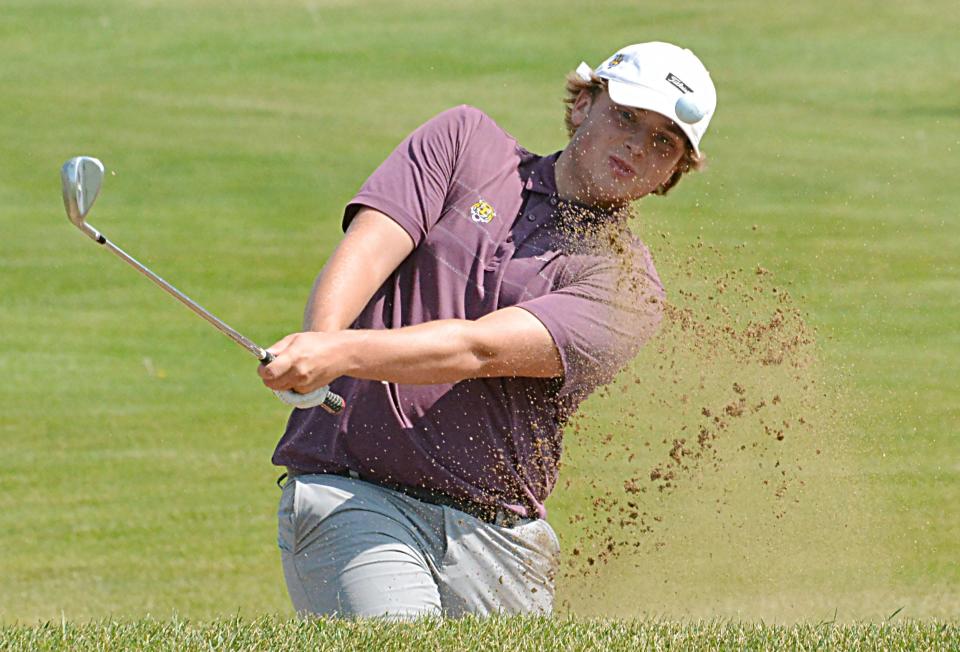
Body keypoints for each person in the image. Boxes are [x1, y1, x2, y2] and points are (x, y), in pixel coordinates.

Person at [258, 41, 717, 619]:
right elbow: (369, 247)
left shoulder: (629, 289)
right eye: (626, 115)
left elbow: (481, 349)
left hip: (501, 540)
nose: (636, 144)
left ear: (671, 174)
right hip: (355, 494)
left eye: (663, 143)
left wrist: (337, 351)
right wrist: (319, 342)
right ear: (584, 105)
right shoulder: (465, 144)